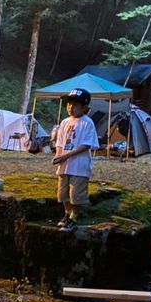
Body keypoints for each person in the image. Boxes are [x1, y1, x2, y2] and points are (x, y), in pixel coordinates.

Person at [52, 88, 100, 231]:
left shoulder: (87, 123)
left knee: (76, 194)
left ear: (84, 108)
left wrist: (65, 156)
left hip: (79, 165)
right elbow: (60, 142)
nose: (70, 107)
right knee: (63, 193)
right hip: (64, 165)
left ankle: (74, 217)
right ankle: (67, 213)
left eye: (75, 105)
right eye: (68, 104)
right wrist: (58, 156)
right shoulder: (65, 122)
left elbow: (86, 145)